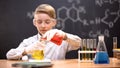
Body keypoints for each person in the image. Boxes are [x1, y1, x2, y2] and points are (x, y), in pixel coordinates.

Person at [6, 4, 81, 60]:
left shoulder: (61, 40)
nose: (43, 26)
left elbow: (79, 43)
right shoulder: (29, 42)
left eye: (47, 22)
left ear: (54, 22)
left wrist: (65, 36)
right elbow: (9, 55)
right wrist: (26, 50)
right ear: (34, 22)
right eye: (39, 22)